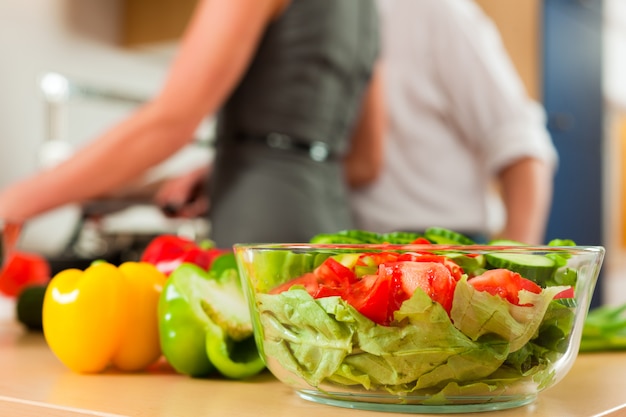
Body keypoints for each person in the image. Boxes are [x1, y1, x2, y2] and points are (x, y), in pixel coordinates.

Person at [0, 0, 384, 247]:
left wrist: (12, 203)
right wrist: (218, 170)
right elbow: (366, 161)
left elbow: (169, 122)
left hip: (258, 232)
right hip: (335, 232)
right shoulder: (368, 12)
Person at [350, 0, 557, 245]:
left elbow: (520, 141)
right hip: (356, 245)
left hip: (449, 246)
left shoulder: (435, 11)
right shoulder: (326, 19)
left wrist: (517, 266)